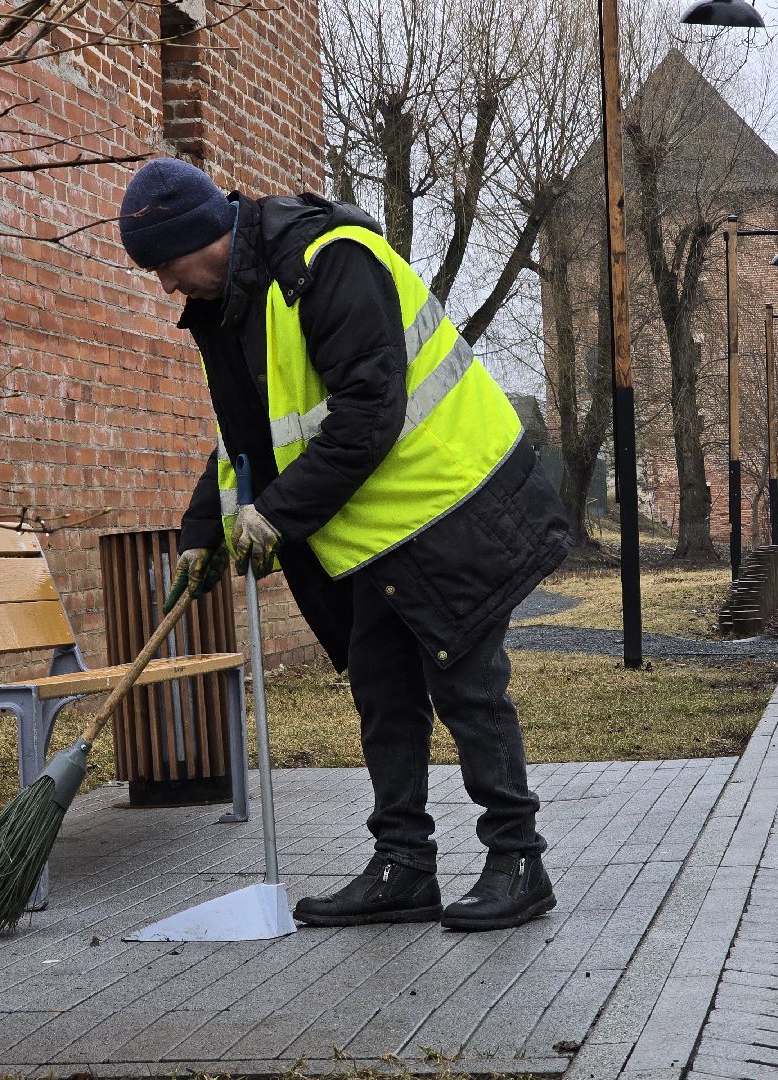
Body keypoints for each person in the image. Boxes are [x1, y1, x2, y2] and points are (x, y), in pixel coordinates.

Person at [118, 157, 571, 931]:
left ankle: (518, 860)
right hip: (371, 528)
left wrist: (278, 515)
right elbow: (247, 439)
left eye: (165, 265)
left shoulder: (330, 262)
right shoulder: (229, 306)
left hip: (451, 503)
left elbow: (369, 412)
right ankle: (403, 866)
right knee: (382, 692)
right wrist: (202, 532)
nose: (165, 286)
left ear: (203, 237)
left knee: (467, 687)